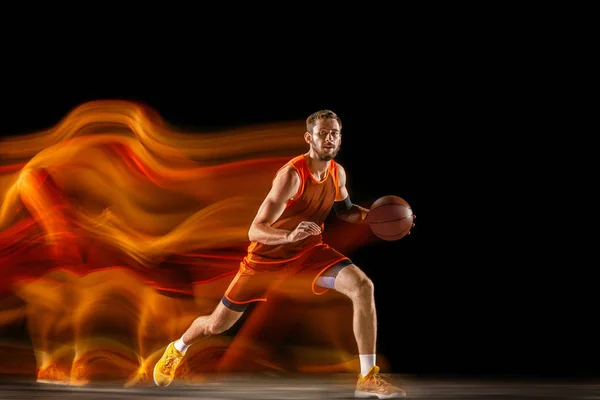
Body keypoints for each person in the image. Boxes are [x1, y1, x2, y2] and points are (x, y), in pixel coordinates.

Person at [152, 110, 409, 398]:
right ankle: (178, 347)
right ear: (309, 138)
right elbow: (255, 230)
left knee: (363, 287)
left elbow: (346, 210)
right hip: (267, 259)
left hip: (309, 252)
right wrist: (288, 235)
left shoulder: (337, 173)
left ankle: (367, 379)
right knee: (216, 324)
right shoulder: (291, 176)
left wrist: (377, 218)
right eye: (323, 133)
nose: (329, 138)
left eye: (334, 133)